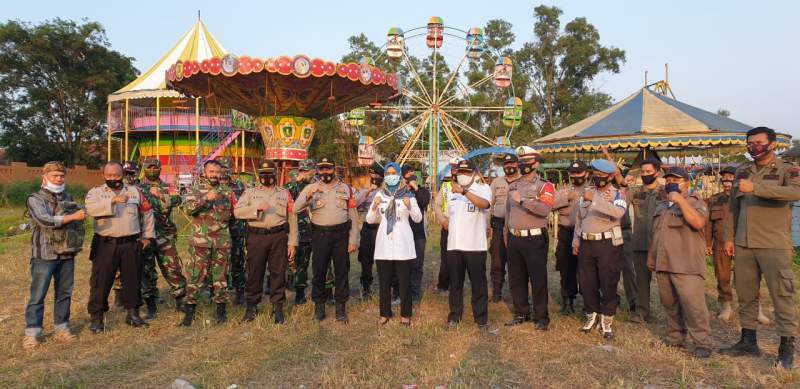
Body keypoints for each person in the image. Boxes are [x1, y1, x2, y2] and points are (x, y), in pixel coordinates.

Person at [721, 127, 800, 370]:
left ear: (773, 144)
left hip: (774, 244)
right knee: (746, 295)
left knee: (782, 296)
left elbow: (795, 192)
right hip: (744, 243)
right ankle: (748, 340)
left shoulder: (787, 169)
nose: (753, 146)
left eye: (758, 142)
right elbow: (733, 208)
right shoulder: (742, 171)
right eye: (749, 142)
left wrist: (757, 188)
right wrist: (729, 237)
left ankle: (786, 347)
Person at [648, 167, 713, 358]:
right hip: (664, 263)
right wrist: (651, 255)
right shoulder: (661, 206)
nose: (671, 183)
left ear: (687, 183)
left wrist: (680, 201)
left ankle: (702, 342)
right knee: (669, 303)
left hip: (687, 265)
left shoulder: (696, 203)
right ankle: (675, 337)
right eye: (667, 180)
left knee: (693, 306)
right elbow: (656, 233)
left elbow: (698, 223)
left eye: (676, 180)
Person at [85, 161, 155, 333]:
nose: (113, 179)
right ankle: (97, 318)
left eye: (116, 175)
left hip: (131, 243)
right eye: (109, 176)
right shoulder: (96, 192)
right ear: (103, 176)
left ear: (122, 174)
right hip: (106, 243)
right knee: (100, 282)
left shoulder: (135, 191)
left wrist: (147, 235)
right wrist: (113, 201)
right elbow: (91, 210)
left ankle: (133, 314)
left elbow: (147, 212)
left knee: (133, 280)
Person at [23, 161, 86, 349]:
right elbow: (45, 220)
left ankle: (62, 328)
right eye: (54, 176)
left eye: (61, 176)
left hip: (67, 254)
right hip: (44, 255)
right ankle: (32, 333)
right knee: (38, 295)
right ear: (45, 177)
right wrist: (73, 217)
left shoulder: (68, 197)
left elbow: (83, 213)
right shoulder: (34, 199)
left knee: (64, 293)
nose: (58, 179)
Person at [293, 157, 360, 323]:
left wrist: (353, 240)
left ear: (334, 169)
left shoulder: (345, 188)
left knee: (342, 271)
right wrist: (307, 197)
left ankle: (340, 309)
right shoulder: (311, 188)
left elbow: (353, 215)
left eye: (328, 169)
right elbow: (295, 208)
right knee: (319, 272)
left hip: (340, 236)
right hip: (320, 235)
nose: (325, 172)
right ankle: (319, 308)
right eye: (322, 169)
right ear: (317, 170)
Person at [234, 160, 298, 324]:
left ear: (275, 174)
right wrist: (256, 209)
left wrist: (292, 242)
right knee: (254, 272)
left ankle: (278, 308)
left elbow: (292, 217)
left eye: (270, 173)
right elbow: (237, 212)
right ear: (259, 175)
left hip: (278, 237)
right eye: (263, 174)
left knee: (278, 273)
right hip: (256, 237)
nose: (267, 177)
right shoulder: (249, 193)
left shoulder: (285, 193)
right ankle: (251, 307)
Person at [573, 159, 627, 340]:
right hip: (587, 243)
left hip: (608, 245)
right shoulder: (589, 192)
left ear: (610, 177)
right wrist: (576, 240)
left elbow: (618, 213)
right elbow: (580, 219)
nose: (597, 178)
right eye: (595, 175)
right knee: (587, 283)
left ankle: (607, 320)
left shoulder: (618, 194)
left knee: (608, 282)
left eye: (601, 176)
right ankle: (591, 315)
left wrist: (594, 200)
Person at [504, 147, 555, 330]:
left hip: (535, 239)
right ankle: (521, 312)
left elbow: (545, 209)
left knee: (538, 278)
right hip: (514, 238)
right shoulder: (513, 186)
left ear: (536, 164)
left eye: (528, 162)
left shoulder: (544, 186)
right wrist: (506, 235)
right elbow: (508, 213)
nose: (524, 165)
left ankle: (541, 317)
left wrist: (523, 201)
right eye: (522, 162)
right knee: (516, 278)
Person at [180, 160, 236, 326]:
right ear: (204, 172)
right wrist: (205, 198)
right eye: (211, 171)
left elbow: (234, 213)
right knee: (195, 277)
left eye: (217, 172)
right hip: (200, 242)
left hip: (221, 242)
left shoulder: (227, 191)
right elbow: (188, 209)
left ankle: (221, 312)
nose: (214, 175)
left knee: (221, 278)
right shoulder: (195, 190)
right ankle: (189, 313)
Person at [366, 162, 422, 325]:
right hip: (384, 245)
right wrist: (374, 207)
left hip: (403, 245)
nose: (391, 175)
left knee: (404, 282)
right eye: (388, 173)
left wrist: (410, 205)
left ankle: (405, 315)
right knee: (384, 282)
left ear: (398, 175)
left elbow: (418, 218)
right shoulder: (380, 195)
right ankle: (384, 313)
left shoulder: (408, 195)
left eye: (394, 172)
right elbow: (370, 220)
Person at [138, 157, 188, 319]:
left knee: (173, 269)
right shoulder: (137, 188)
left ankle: (181, 301)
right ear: (144, 168)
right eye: (149, 167)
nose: (152, 170)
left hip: (165, 236)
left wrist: (161, 196)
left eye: (155, 167)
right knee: (147, 271)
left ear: (160, 169)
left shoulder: (167, 186)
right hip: (145, 236)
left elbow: (178, 199)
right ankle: (151, 305)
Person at [445, 159, 492, 328]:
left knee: (478, 283)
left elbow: (484, 204)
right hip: (454, 245)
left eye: (466, 172)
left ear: (474, 173)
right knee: (455, 283)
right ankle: (454, 315)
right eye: (460, 173)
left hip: (475, 246)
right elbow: (448, 216)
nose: (463, 176)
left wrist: (464, 192)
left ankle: (480, 318)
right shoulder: (452, 192)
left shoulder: (483, 188)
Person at [625, 158, 665, 323]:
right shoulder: (635, 191)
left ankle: (672, 315)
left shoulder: (665, 192)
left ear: (657, 172)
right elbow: (620, 202)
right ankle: (641, 312)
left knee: (667, 281)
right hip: (640, 242)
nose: (645, 174)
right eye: (643, 172)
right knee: (641, 281)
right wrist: (623, 184)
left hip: (663, 243)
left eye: (649, 172)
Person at [552, 160, 589, 314]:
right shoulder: (563, 190)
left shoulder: (592, 191)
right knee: (566, 268)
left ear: (586, 174)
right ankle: (567, 301)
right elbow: (550, 205)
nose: (575, 176)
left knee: (587, 270)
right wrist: (566, 199)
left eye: (579, 172)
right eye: (572, 173)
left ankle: (589, 302)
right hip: (567, 232)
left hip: (585, 235)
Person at [286, 159, 319, 304]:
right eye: (302, 170)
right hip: (300, 232)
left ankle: (324, 292)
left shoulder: (319, 185)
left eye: (307, 171)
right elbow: (286, 198)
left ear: (313, 171)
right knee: (300, 265)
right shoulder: (293, 186)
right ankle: (299, 293)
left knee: (322, 265)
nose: (304, 173)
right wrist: (296, 182)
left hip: (318, 231)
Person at [488, 154, 520, 303]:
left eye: (511, 164)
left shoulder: (523, 182)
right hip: (498, 226)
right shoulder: (496, 182)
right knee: (497, 261)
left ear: (517, 164)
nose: (508, 167)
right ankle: (497, 292)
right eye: (506, 164)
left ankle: (519, 294)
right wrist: (487, 225)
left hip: (517, 226)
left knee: (517, 262)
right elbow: (489, 205)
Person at [218, 157, 248, 306]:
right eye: (221, 168)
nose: (224, 171)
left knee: (237, 262)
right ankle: (216, 292)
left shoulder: (240, 186)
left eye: (226, 168)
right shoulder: (211, 186)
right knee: (218, 264)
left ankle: (240, 292)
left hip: (236, 231)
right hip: (217, 232)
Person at [433, 157, 464, 294]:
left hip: (463, 228)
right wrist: (442, 220)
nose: (454, 171)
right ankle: (443, 284)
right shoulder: (445, 186)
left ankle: (457, 284)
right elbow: (437, 205)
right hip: (447, 226)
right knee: (446, 257)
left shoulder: (469, 187)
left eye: (457, 168)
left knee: (461, 257)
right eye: (453, 168)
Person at [355, 162, 384, 299]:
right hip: (368, 229)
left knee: (383, 259)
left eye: (376, 175)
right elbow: (355, 203)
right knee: (366, 259)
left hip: (381, 229)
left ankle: (387, 285)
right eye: (372, 175)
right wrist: (368, 191)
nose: (374, 178)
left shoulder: (385, 192)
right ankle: (366, 287)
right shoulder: (364, 191)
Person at [402, 164, 430, 302]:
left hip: (419, 234)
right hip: (402, 233)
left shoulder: (423, 190)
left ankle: (414, 294)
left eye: (412, 171)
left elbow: (424, 202)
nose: (411, 174)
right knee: (403, 265)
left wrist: (416, 188)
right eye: (407, 173)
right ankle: (402, 292)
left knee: (417, 265)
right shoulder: (400, 191)